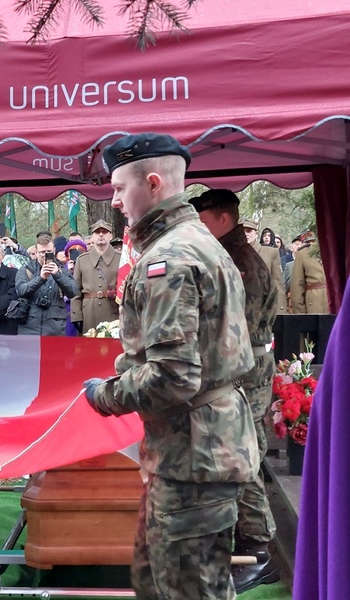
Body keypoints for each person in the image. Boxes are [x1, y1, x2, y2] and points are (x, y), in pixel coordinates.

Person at [83, 133, 258, 600]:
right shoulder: (195, 240)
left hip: (194, 457)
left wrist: (105, 395)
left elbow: (172, 376)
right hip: (195, 450)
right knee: (159, 582)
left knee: (187, 589)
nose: (114, 200)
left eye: (120, 188)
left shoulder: (170, 258)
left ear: (154, 183)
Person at [191, 189, 281, 593]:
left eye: (204, 219)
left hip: (242, 373)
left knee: (242, 461)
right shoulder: (228, 257)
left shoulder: (239, 263)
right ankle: (247, 544)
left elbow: (229, 328)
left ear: (223, 219)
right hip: (240, 370)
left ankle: (258, 554)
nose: (199, 228)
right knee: (242, 459)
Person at [15, 233, 79, 336]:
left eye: (48, 252)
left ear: (54, 250)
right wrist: (41, 278)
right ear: (36, 252)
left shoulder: (62, 270)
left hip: (55, 329)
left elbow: (74, 291)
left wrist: (57, 275)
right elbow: (21, 291)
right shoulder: (26, 270)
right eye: (42, 252)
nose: (45, 255)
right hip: (29, 328)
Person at [70, 219, 119, 335]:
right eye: (97, 232)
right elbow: (75, 291)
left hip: (114, 314)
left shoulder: (121, 258)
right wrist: (76, 316)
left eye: (105, 232)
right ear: (92, 236)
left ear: (110, 235)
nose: (101, 234)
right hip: (88, 314)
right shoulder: (82, 260)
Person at [242, 219, 287, 315]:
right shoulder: (230, 254)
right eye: (243, 231)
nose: (246, 234)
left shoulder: (270, 252)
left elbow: (277, 283)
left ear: (256, 233)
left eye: (249, 231)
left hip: (263, 309)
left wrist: (281, 309)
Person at [289, 230, 329, 313]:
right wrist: (301, 316)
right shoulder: (302, 254)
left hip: (336, 306)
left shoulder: (337, 251)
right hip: (313, 307)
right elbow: (297, 288)